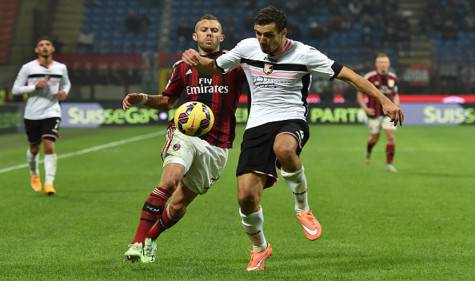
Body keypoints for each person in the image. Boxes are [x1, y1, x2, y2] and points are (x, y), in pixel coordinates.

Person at [182, 6, 404, 271]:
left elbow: (351, 77)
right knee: (246, 197)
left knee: (284, 149)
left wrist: (385, 100)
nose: (262, 40)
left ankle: (303, 209)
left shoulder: (305, 54)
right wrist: (195, 60)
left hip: (291, 117)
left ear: (283, 32)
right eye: (258, 34)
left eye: (269, 35)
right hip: (257, 126)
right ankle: (260, 248)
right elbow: (214, 69)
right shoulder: (246, 48)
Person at [121, 15, 246, 263]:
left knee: (178, 205)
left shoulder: (235, 65)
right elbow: (168, 100)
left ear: (221, 37)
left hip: (218, 144)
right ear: (195, 36)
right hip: (185, 133)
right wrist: (143, 99)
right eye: (204, 30)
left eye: (214, 30)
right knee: (170, 181)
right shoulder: (182, 66)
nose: (209, 33)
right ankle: (136, 242)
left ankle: (151, 239)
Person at [11, 37, 71, 196]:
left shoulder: (61, 68)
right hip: (32, 113)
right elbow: (15, 89)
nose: (45, 47)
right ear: (36, 50)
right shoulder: (28, 68)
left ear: (52, 49)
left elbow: (66, 83)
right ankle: (34, 173)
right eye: (41, 45)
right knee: (34, 148)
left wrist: (64, 92)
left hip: (52, 111)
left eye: (48, 44)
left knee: (49, 145)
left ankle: (49, 183)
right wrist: (34, 87)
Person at [357, 53, 400, 172]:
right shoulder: (369, 77)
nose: (383, 65)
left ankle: (389, 165)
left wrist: (396, 105)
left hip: (389, 114)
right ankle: (368, 151)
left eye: (385, 62)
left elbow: (395, 94)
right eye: (381, 62)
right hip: (373, 113)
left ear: (389, 64)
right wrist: (365, 108)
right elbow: (360, 94)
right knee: (374, 138)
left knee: (391, 137)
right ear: (376, 64)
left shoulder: (393, 78)